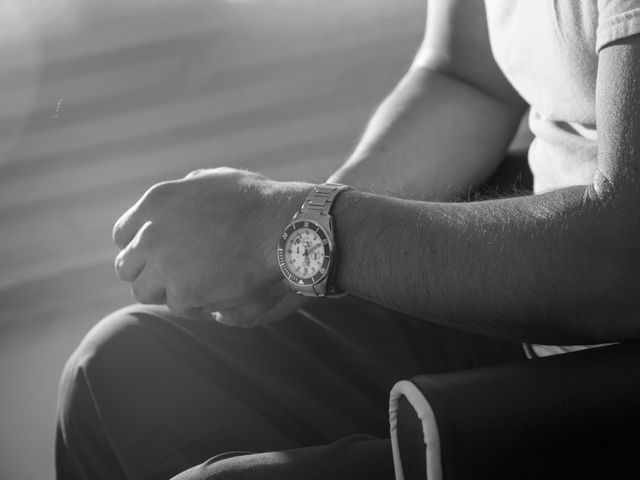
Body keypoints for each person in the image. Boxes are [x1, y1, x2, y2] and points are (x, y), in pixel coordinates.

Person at [55, 1, 640, 479]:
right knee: (120, 370)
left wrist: (284, 225)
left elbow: (622, 261)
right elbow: (467, 75)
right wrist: (300, 234)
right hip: (537, 310)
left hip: (608, 359)